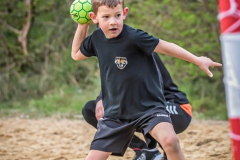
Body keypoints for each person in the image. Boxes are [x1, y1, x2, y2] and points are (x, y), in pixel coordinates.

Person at [71, 0, 222, 159]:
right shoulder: (96, 39)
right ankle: (145, 151)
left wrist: (197, 60)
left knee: (170, 141)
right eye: (106, 17)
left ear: (125, 13)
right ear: (94, 18)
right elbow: (76, 54)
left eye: (117, 15)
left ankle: (154, 152)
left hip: (148, 109)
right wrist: (82, 26)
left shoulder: (135, 37)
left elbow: (167, 46)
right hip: (116, 114)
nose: (113, 22)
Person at [82, 53, 192, 160]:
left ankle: (165, 152)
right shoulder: (113, 52)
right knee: (90, 109)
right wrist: (101, 98)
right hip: (141, 108)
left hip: (176, 108)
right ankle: (144, 149)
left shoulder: (141, 46)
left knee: (148, 109)